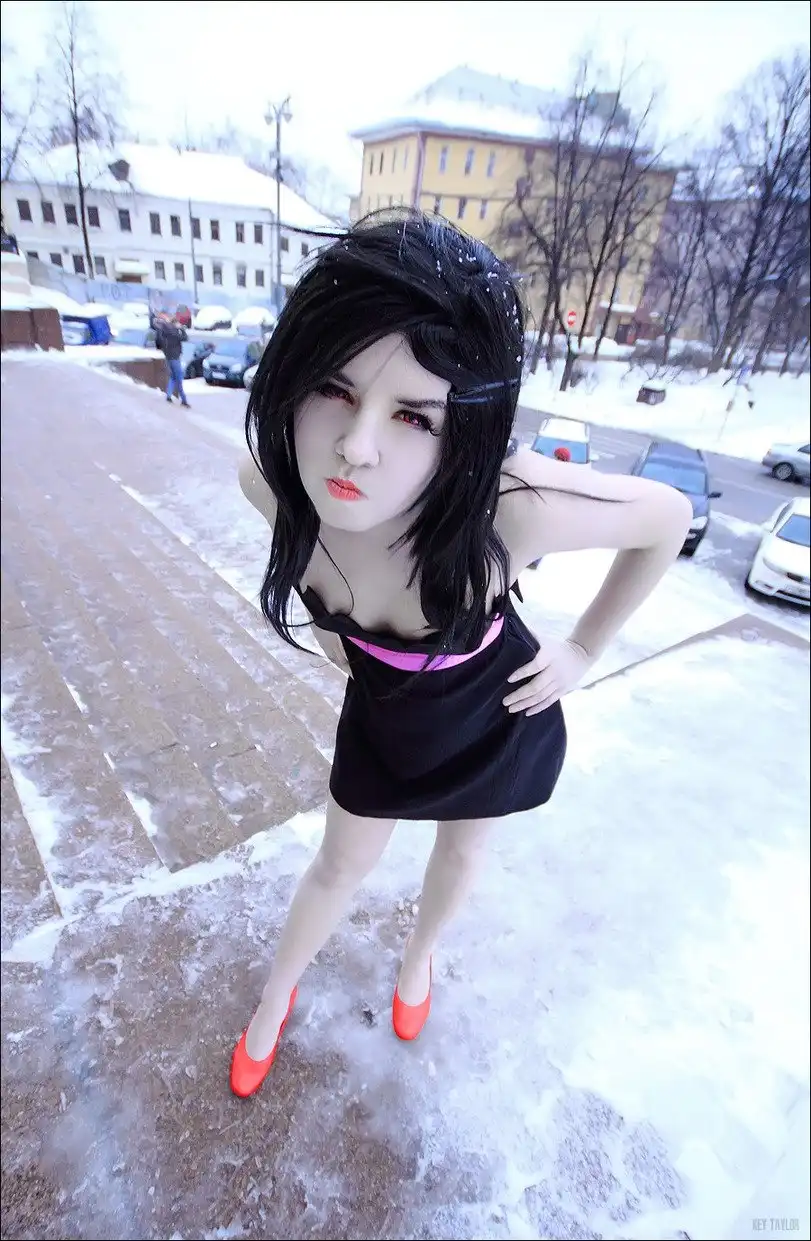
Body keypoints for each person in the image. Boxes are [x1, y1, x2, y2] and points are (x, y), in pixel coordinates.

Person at [232, 209, 691, 1098]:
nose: (356, 447)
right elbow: (327, 584)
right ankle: (274, 995)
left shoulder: (510, 510)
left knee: (462, 854)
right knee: (339, 864)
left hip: (491, 711)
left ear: (466, 429)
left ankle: (419, 958)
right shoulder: (271, 484)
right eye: (333, 388)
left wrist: (583, 646)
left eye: (413, 413)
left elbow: (666, 519)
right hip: (386, 716)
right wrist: (335, 636)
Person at [155, 312, 191, 407]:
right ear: (175, 323)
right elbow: (185, 338)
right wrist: (181, 329)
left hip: (168, 357)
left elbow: (159, 342)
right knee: (179, 378)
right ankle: (184, 400)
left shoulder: (165, 330)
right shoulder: (174, 332)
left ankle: (169, 395)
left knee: (173, 377)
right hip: (175, 358)